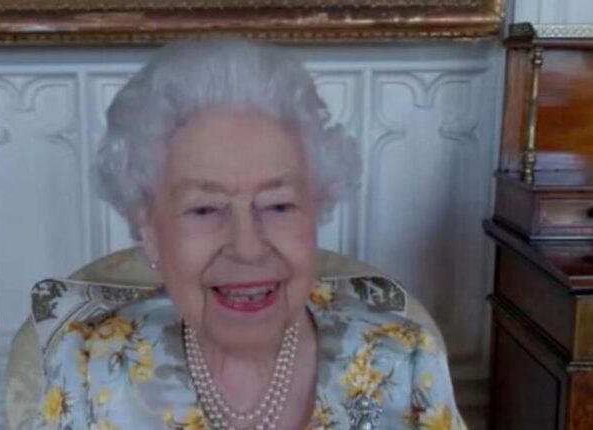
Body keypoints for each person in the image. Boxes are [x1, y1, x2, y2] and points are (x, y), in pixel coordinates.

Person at [32, 38, 466, 430]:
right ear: (149, 230)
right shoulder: (89, 367)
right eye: (204, 209)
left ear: (316, 210)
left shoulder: (401, 362)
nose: (248, 247)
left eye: (278, 206)